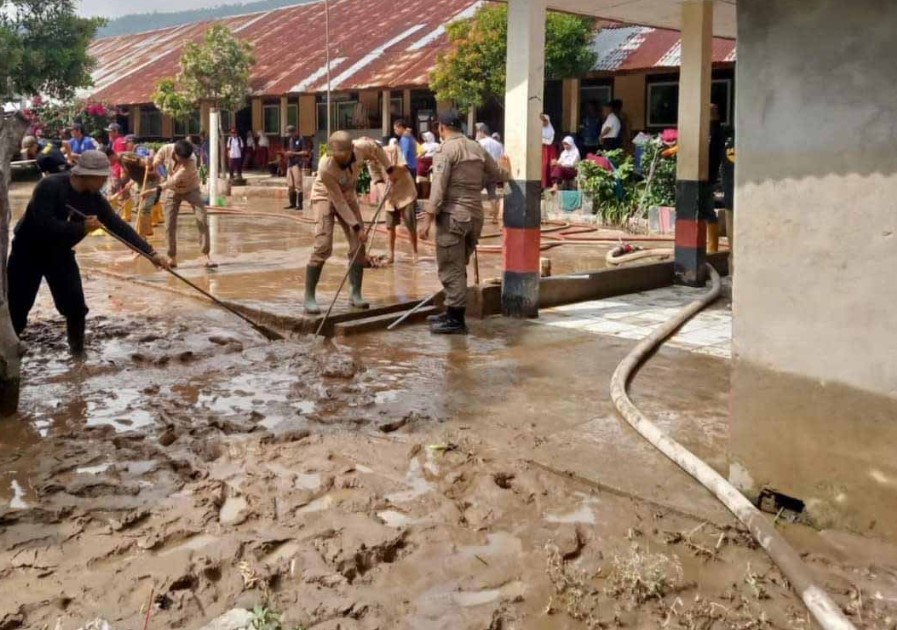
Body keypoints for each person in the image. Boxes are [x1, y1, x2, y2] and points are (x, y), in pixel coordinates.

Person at [8, 150, 169, 355]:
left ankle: (77, 354)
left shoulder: (94, 199)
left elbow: (117, 225)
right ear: (87, 175)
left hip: (60, 252)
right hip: (28, 251)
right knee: (18, 307)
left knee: (75, 307)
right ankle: (8, 354)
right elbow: (44, 224)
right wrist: (81, 228)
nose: (104, 182)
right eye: (101, 178)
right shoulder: (50, 186)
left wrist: (150, 253)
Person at [418, 111, 507, 335]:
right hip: (476, 215)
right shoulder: (477, 147)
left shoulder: (445, 150)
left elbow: (438, 188)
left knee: (451, 267)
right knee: (459, 265)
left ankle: (456, 320)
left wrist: (427, 218)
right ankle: (452, 311)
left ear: (441, 128)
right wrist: (506, 168)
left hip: (453, 216)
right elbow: (497, 173)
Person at [303, 131, 400, 315]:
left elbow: (377, 150)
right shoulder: (326, 167)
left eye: (343, 156)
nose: (340, 159)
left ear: (350, 151)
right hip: (325, 196)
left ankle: (355, 293)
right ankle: (309, 296)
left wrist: (389, 170)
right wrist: (356, 226)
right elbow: (337, 202)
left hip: (348, 196)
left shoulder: (361, 147)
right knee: (323, 245)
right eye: (336, 156)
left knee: (358, 246)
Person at [152, 139, 216, 269]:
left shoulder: (191, 161)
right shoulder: (167, 149)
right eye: (182, 159)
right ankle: (172, 257)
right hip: (173, 191)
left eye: (185, 160)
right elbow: (158, 156)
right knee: (169, 224)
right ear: (175, 153)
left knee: (202, 219)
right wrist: (154, 163)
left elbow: (174, 180)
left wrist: (158, 188)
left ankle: (205, 255)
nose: (184, 162)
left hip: (191, 189)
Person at [377, 137, 419, 264]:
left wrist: (393, 171)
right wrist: (382, 191)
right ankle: (391, 255)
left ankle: (415, 252)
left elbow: (405, 167)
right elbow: (377, 179)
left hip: (405, 192)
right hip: (389, 195)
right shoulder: (371, 161)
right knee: (390, 226)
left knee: (410, 224)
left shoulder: (394, 150)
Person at [476, 123, 505, 223]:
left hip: (482, 171)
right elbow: (501, 158)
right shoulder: (499, 144)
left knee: (475, 192)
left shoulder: (481, 142)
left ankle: (476, 217)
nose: (477, 134)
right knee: (492, 194)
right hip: (494, 171)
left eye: (478, 131)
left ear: (482, 132)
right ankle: (495, 218)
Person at [283, 125, 310, 210]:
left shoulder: (301, 139)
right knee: (290, 185)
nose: (290, 136)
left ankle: (300, 205)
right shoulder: (290, 140)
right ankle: (292, 203)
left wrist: (294, 153)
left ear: (295, 132)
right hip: (289, 164)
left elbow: (305, 152)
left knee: (298, 185)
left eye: (291, 133)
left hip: (297, 164)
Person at [540, 113, 557, 189]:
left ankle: (548, 184)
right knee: (541, 165)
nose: (544, 122)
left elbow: (550, 141)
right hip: (541, 149)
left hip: (549, 150)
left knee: (548, 165)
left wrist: (543, 141)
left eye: (545, 121)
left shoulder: (551, 130)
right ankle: (541, 184)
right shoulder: (539, 130)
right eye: (543, 121)